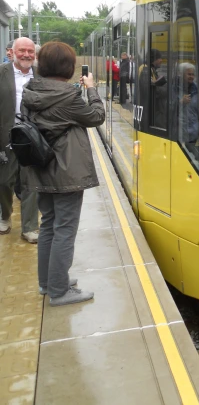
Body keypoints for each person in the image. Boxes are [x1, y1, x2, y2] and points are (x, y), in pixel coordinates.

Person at [21, 41, 105, 306]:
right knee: (65, 229)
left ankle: (48, 282)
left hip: (41, 167)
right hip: (66, 172)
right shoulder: (68, 97)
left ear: (42, 65)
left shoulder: (30, 91)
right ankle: (59, 291)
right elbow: (96, 116)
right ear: (68, 68)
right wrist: (91, 89)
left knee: (48, 226)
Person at [0, 37, 40, 242]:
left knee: (30, 182)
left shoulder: (41, 75)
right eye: (22, 50)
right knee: (5, 181)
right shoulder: (2, 72)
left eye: (30, 51)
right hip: (6, 136)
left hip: (33, 136)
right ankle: (5, 216)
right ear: (13, 52)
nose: (26, 55)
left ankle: (30, 227)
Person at [174, 63, 199, 156]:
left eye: (193, 74)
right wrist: (180, 102)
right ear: (181, 74)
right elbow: (166, 108)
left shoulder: (197, 90)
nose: (191, 77)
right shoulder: (173, 87)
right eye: (189, 74)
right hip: (178, 134)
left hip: (193, 134)